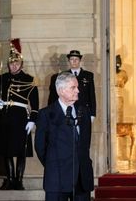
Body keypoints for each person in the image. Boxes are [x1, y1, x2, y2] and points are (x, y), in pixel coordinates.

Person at [0, 38, 39, 190]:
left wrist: (32, 120)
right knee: (6, 151)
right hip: (5, 118)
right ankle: (10, 180)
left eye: (16, 63)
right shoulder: (3, 78)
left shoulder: (29, 79)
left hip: (21, 119)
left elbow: (35, 104)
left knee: (21, 152)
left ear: (21, 64)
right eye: (11, 63)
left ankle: (19, 181)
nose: (13, 66)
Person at [35, 72, 94, 201]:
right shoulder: (46, 114)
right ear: (61, 91)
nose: (78, 91)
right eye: (73, 88)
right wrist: (53, 164)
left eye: (77, 87)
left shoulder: (84, 112)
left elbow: (86, 143)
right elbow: (40, 147)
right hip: (57, 178)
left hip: (82, 179)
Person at [47, 50, 96, 122]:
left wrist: (92, 113)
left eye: (76, 59)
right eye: (72, 59)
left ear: (80, 61)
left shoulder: (88, 75)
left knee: (83, 132)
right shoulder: (64, 75)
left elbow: (92, 95)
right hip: (68, 109)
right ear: (69, 61)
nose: (74, 61)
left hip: (84, 110)